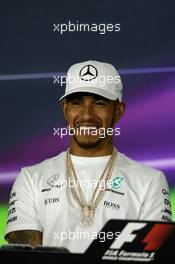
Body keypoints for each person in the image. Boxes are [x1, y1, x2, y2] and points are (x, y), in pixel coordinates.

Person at [5, 60, 172, 253]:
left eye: (99, 103)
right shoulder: (30, 179)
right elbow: (25, 257)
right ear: (65, 109)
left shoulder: (150, 181)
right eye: (76, 103)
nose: (86, 115)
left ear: (118, 111)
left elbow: (154, 256)